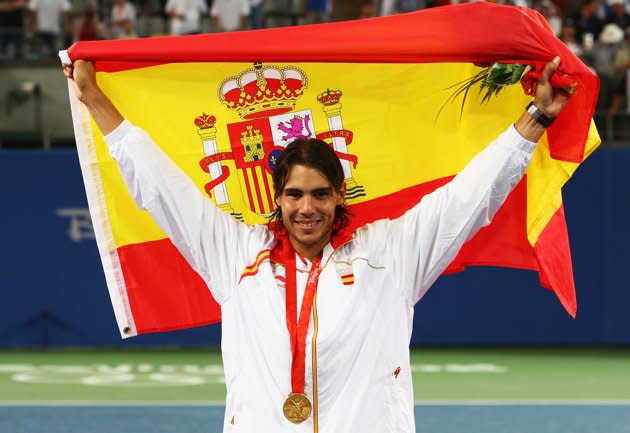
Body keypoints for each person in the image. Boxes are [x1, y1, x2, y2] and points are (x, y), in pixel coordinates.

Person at [63, 56, 570, 432]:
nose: (307, 208)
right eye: (295, 194)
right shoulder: (237, 255)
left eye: (320, 194)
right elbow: (159, 187)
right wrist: (94, 98)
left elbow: (469, 198)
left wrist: (536, 120)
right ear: (277, 198)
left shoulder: (389, 255)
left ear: (339, 195)